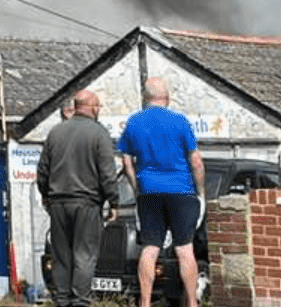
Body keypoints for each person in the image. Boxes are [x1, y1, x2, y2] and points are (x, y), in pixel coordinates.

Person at [117, 77, 205, 307]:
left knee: (150, 248)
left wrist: (137, 188)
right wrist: (201, 192)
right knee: (185, 249)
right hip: (181, 191)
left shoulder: (134, 122)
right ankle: (192, 302)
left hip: (149, 191)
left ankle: (145, 302)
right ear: (167, 97)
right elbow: (196, 161)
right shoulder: (180, 121)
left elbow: (126, 162)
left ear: (145, 98)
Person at [37, 89, 119, 307]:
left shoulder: (55, 133)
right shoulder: (99, 134)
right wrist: (114, 201)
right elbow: (107, 173)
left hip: (58, 203)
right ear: (91, 107)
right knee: (84, 255)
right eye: (98, 106)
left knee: (61, 256)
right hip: (86, 203)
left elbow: (42, 171)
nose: (99, 110)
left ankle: (62, 300)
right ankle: (80, 301)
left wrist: (45, 195)